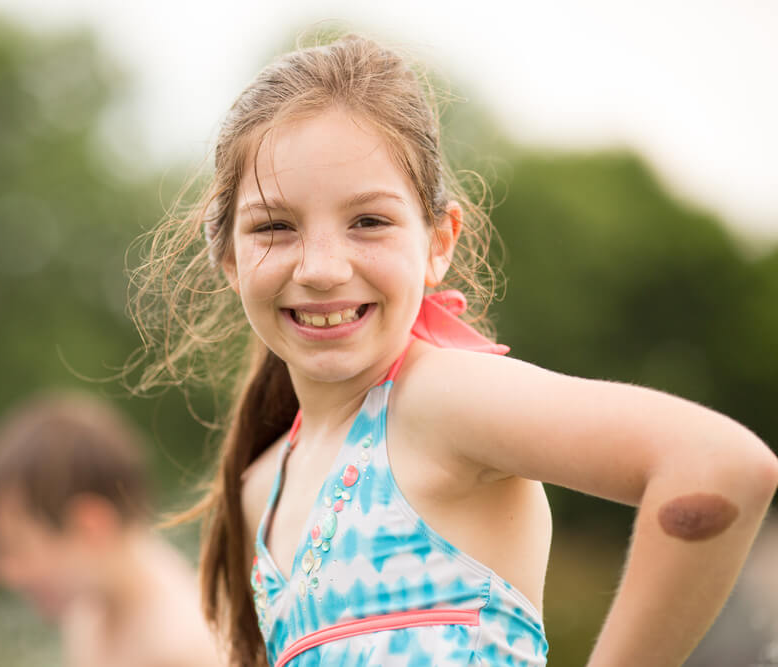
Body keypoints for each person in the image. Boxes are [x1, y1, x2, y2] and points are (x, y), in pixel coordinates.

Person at [127, 34, 778, 667]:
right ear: (229, 257)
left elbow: (718, 464)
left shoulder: (437, 402)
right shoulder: (258, 490)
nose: (321, 268)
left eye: (369, 221)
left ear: (439, 242)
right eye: (274, 226)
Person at [0, 390, 221, 667]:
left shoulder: (177, 651)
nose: (2, 571)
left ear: (90, 527)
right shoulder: (91, 604)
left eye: (16, 547)